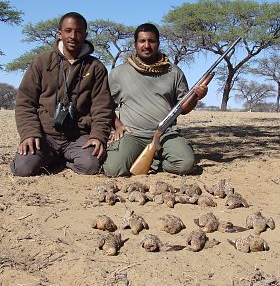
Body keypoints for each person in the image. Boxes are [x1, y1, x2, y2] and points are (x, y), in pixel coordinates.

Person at [10, 12, 113, 176]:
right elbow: (25, 102)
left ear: (85, 35)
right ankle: (52, 157)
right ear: (59, 33)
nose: (73, 36)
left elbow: (103, 107)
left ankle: (60, 160)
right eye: (68, 31)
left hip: (78, 136)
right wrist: (29, 134)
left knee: (90, 166)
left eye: (78, 31)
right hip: (45, 136)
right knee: (22, 169)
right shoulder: (42, 62)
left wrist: (98, 136)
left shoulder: (96, 67)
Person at [102, 23, 208, 177]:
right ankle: (149, 157)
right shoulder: (119, 73)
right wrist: (118, 126)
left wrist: (197, 96)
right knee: (113, 169)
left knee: (185, 164)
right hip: (132, 134)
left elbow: (184, 109)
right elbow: (105, 105)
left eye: (151, 41)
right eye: (142, 41)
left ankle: (153, 159)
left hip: (165, 134)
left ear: (158, 43)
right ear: (135, 44)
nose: (146, 45)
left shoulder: (174, 72)